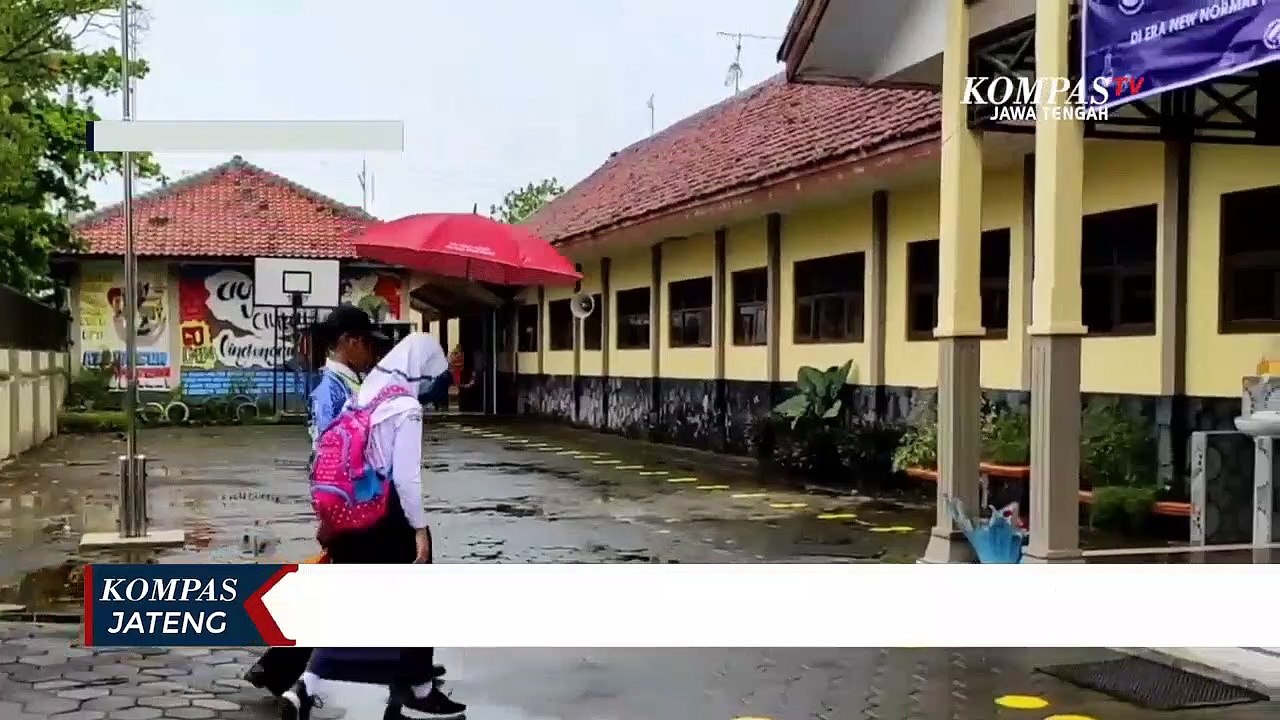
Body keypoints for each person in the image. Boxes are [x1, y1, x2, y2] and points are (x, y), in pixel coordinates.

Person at [282, 332, 466, 720]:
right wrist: (420, 530)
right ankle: (419, 691)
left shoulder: (365, 395)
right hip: (387, 517)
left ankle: (305, 688)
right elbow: (406, 478)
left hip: (352, 515)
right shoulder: (405, 409)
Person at [245, 304, 386, 698]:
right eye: (365, 343)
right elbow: (329, 457)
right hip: (348, 506)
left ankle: (278, 667)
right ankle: (283, 669)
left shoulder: (352, 384)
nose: (371, 352)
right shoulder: (332, 390)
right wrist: (332, 516)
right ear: (348, 343)